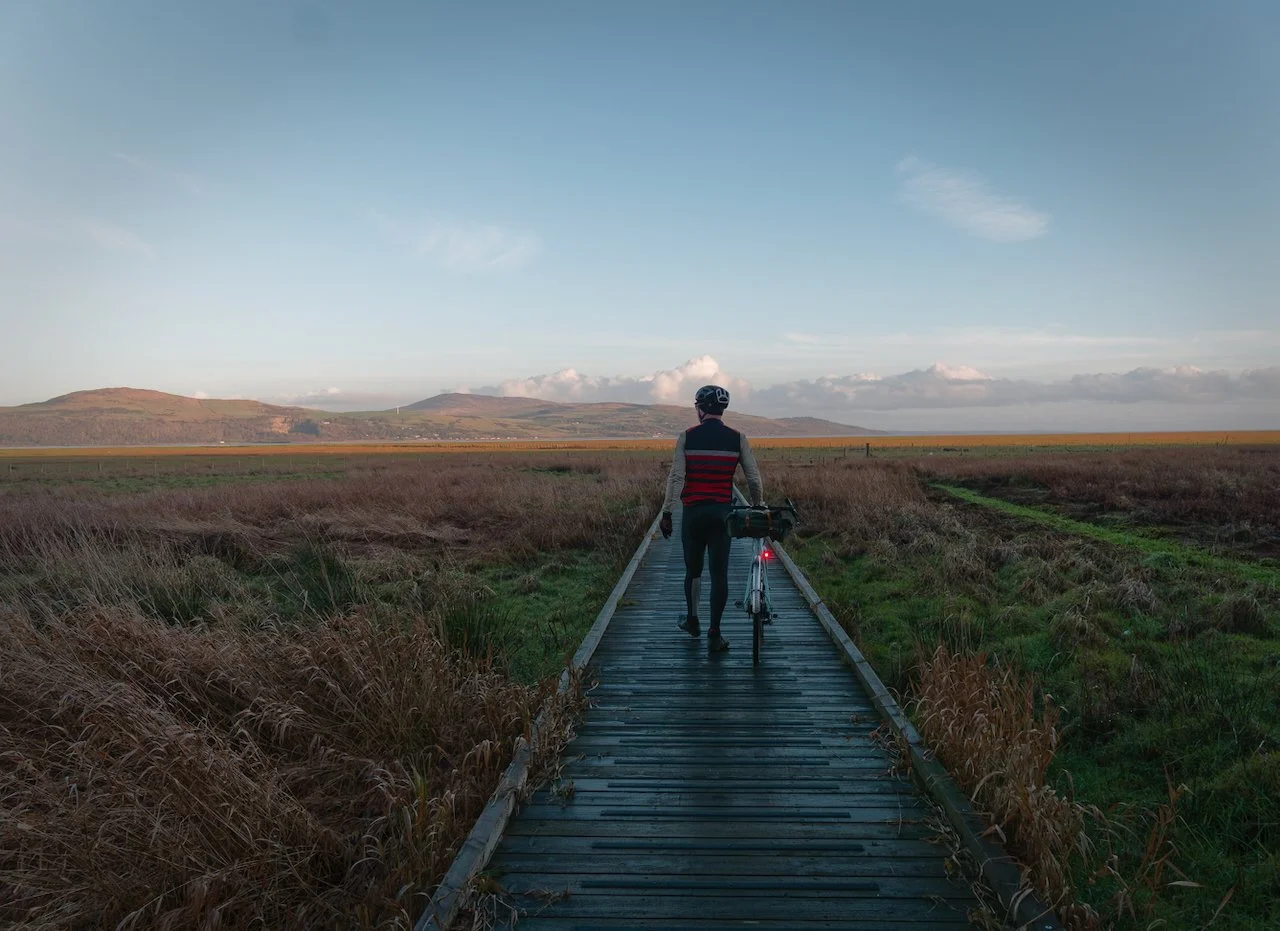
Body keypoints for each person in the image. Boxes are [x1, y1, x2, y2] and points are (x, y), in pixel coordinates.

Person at [659, 384, 764, 653]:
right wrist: (757, 505)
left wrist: (668, 512)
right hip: (722, 514)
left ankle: (693, 621)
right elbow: (752, 477)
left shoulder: (687, 436)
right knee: (719, 575)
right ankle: (715, 633)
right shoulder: (738, 437)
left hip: (693, 513)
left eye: (696, 406)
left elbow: (676, 478)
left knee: (693, 571)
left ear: (701, 408)